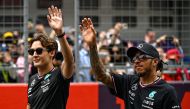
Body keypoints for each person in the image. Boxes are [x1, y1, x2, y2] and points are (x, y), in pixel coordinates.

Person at [80, 18, 181, 109]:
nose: (137, 61)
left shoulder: (167, 91)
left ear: (155, 62)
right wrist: (92, 45)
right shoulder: (130, 82)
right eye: (134, 58)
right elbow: (100, 75)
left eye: (142, 57)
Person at [27, 6, 74, 109]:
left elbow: (69, 61)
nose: (34, 54)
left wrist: (59, 33)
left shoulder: (59, 75)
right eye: (31, 51)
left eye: (39, 51)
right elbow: (29, 105)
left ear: (52, 52)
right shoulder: (32, 79)